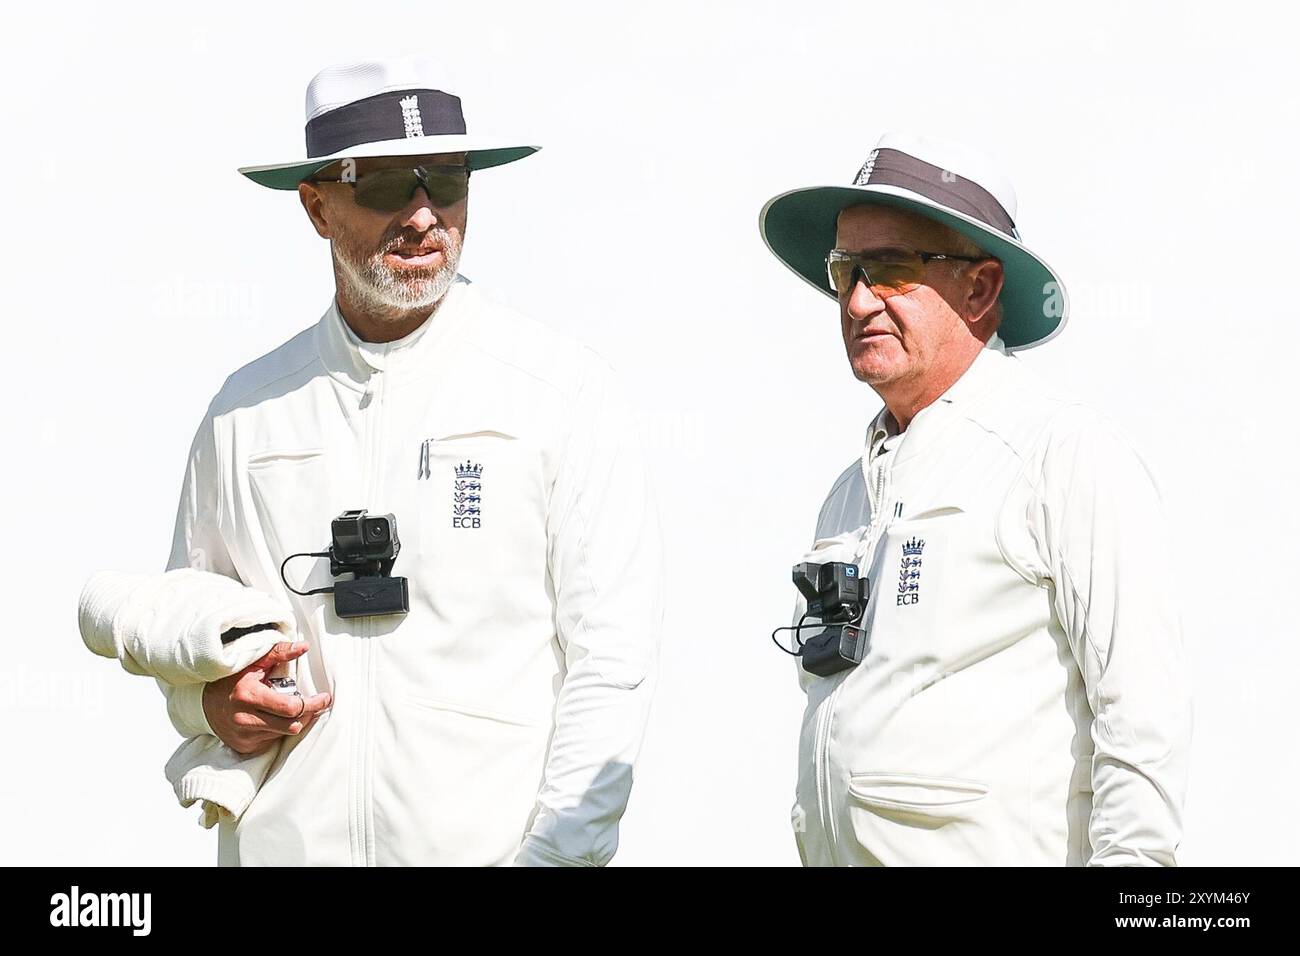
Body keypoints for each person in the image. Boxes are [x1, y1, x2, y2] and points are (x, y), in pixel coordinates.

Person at [158, 56, 664, 866]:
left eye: (449, 180)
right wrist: (208, 704)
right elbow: (179, 636)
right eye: (390, 186)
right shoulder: (246, 410)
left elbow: (611, 665)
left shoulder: (560, 390)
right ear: (317, 207)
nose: (427, 215)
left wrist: (557, 860)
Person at [759, 132, 1192, 866]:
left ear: (981, 288)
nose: (859, 299)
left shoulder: (1064, 456)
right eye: (846, 269)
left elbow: (1142, 719)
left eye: (892, 269)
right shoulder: (849, 491)